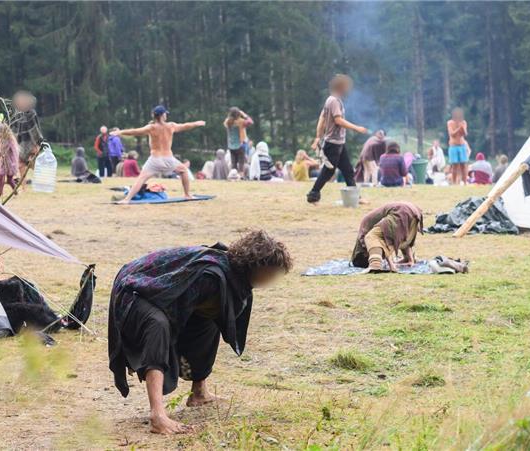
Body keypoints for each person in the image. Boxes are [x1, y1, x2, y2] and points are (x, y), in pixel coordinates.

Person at [108, 230, 292, 434]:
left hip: (154, 288)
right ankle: (157, 415)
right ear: (258, 267)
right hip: (135, 286)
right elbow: (172, 309)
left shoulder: (231, 276)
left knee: (211, 318)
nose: (274, 278)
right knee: (158, 326)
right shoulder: (211, 276)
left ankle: (199, 393)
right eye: (273, 271)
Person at [111, 106, 205, 204]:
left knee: (141, 178)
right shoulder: (171, 126)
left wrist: (120, 132)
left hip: (155, 159)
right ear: (161, 115)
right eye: (165, 114)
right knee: (183, 170)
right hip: (168, 159)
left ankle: (127, 199)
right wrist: (196, 123)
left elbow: (135, 131)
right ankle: (187, 194)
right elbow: (185, 126)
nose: (166, 115)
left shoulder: (151, 128)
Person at [307, 74, 369, 204]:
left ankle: (355, 197)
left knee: (347, 170)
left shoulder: (330, 100)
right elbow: (338, 120)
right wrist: (356, 128)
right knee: (328, 171)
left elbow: (322, 119)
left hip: (338, 143)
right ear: (341, 87)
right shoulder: (334, 101)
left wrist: (318, 137)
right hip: (333, 143)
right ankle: (313, 195)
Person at [350, 202, 423, 272]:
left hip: (401, 211)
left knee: (371, 237)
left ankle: (375, 265)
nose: (382, 258)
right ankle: (408, 259)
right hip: (413, 210)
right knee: (401, 235)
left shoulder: (363, 234)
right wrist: (409, 259)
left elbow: (384, 243)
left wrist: (391, 265)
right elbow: (402, 236)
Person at [9, 90, 43, 179]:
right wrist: (12, 141)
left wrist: (37, 144)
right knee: (20, 165)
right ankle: (23, 187)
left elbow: (35, 129)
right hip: (20, 143)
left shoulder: (32, 113)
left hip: (32, 143)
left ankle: (40, 181)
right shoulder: (17, 114)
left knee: (34, 164)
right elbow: (14, 129)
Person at [224, 107, 252, 174]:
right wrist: (244, 114)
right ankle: (241, 175)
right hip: (240, 144)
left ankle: (234, 175)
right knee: (241, 163)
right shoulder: (241, 121)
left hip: (231, 145)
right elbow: (250, 122)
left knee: (233, 163)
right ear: (238, 113)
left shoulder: (227, 122)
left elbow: (228, 119)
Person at [0, 123, 19, 199]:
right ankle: (0, 193)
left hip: (10, 163)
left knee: (9, 179)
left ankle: (15, 192)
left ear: (5, 132)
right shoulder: (3, 140)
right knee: (1, 176)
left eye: (0, 132)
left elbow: (4, 151)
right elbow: (2, 151)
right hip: (4, 162)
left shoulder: (9, 140)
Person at [447, 107, 469, 185]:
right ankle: (454, 182)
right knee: (454, 165)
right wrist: (458, 128)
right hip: (453, 146)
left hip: (462, 145)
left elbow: (465, 134)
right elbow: (452, 134)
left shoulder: (463, 122)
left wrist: (462, 128)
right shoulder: (450, 123)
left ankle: (465, 182)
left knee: (464, 164)